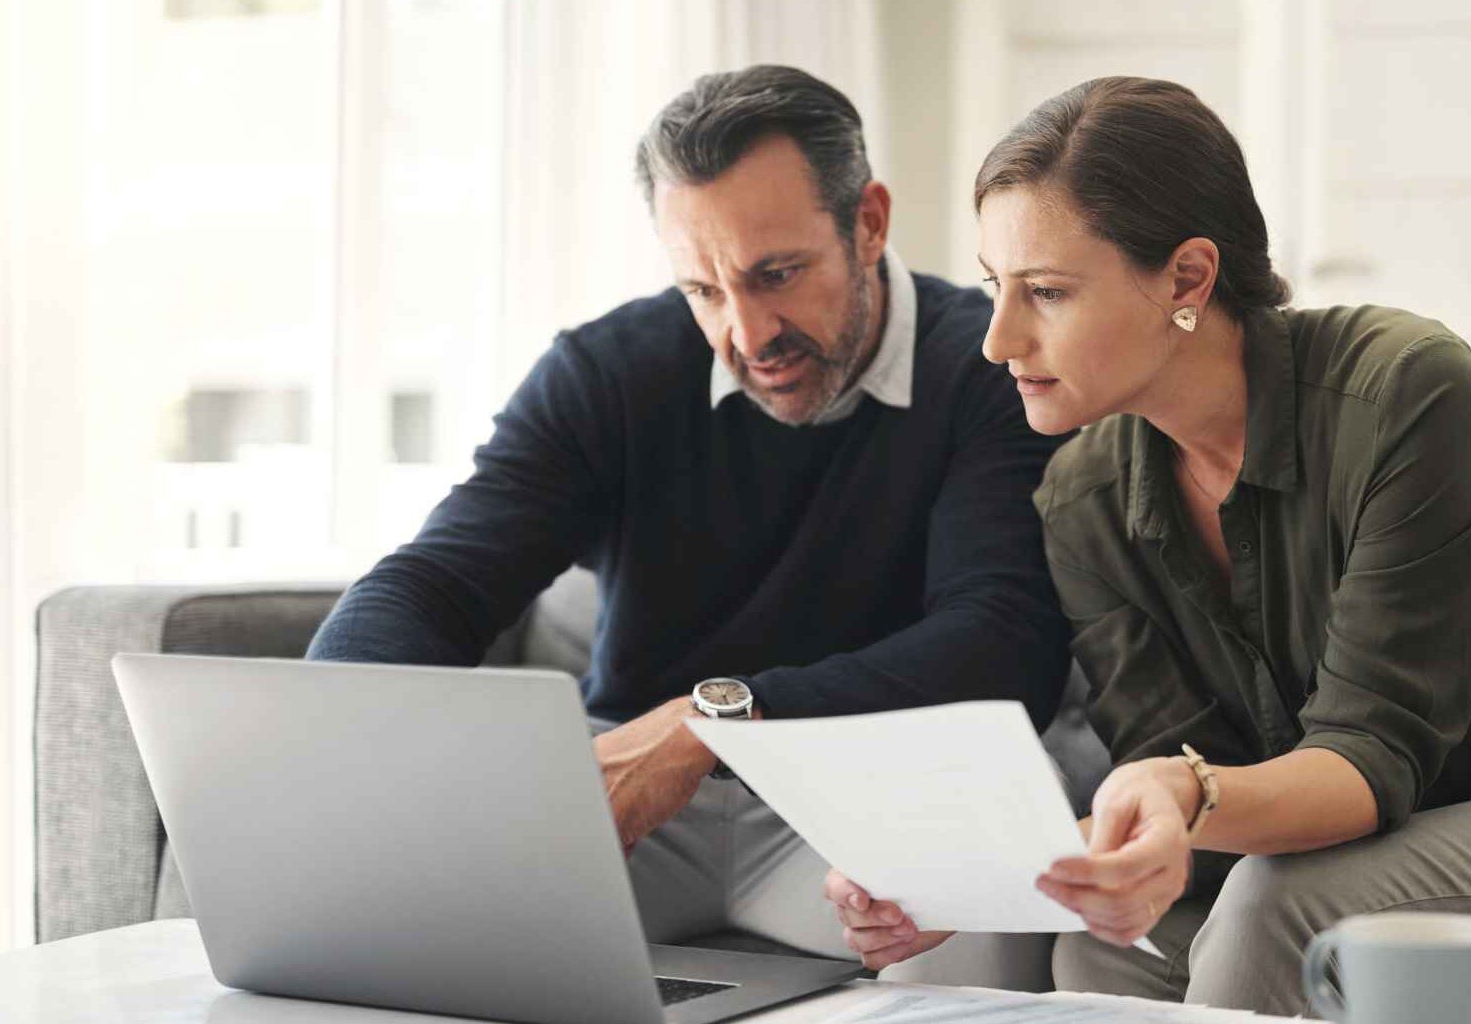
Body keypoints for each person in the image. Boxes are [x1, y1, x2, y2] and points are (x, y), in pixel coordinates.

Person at [825, 76, 1471, 1014]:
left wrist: (1186, 795)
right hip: (1399, 832)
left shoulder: (1405, 389)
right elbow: (1179, 769)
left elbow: (1367, 758)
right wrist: (980, 878)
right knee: (1103, 949)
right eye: (994, 286)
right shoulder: (1085, 494)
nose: (998, 338)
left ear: (1188, 277)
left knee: (1283, 911)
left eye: (1046, 291)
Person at [307, 65, 1070, 986]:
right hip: (633, 798)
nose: (747, 334)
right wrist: (339, 736)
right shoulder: (606, 373)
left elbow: (1002, 645)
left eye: (775, 275)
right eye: (704, 290)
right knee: (377, 924)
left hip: (874, 797)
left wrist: (712, 722)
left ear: (868, 222)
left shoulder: (990, 367)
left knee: (983, 931)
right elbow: (436, 583)